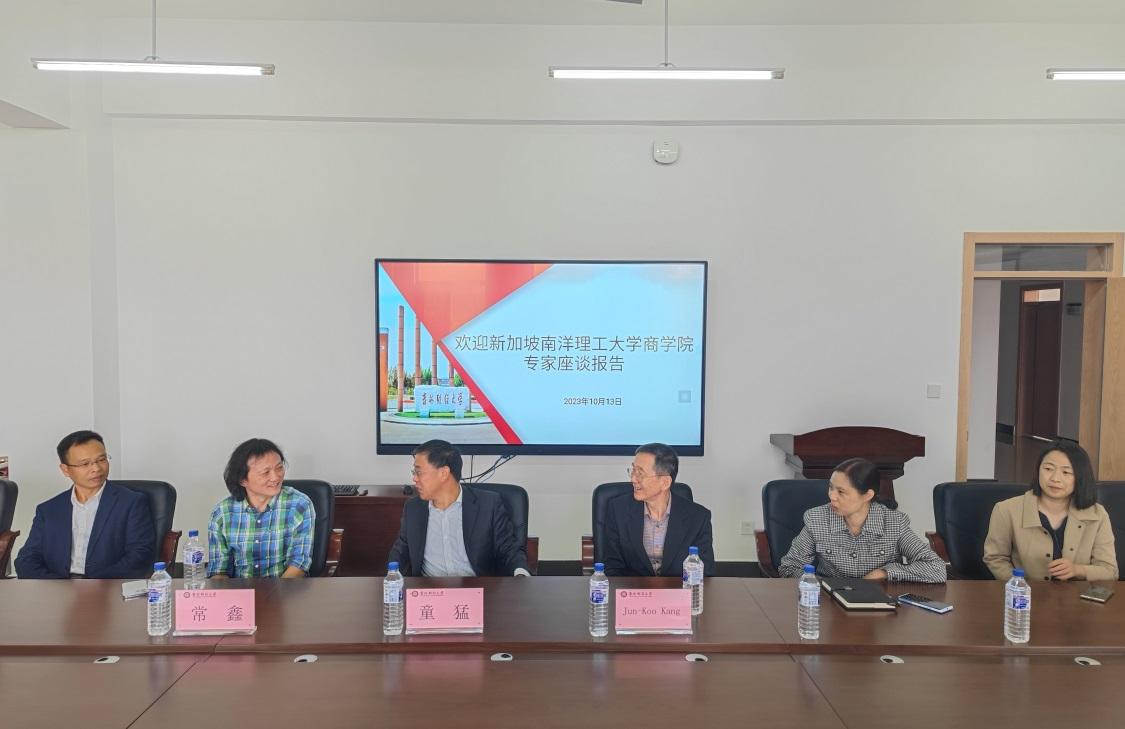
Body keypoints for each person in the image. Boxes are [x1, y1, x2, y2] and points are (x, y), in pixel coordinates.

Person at [778, 458, 946, 583]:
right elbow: (789, 567)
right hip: (829, 603)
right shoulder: (817, 519)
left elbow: (936, 568)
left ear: (867, 495)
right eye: (831, 487)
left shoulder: (894, 523)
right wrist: (821, 585)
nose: (832, 496)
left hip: (879, 603)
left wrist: (884, 573)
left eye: (841, 492)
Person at [15, 430, 154, 579]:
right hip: (58, 586)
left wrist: (92, 585)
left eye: (102, 459)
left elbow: (140, 555)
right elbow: (26, 560)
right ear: (65, 470)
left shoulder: (131, 502)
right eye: (85, 464)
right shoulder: (48, 510)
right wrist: (59, 586)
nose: (96, 468)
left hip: (108, 586)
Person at [388, 439, 529, 576]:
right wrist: (391, 577)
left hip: (476, 587)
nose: (414, 478)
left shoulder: (488, 504)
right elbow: (401, 551)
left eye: (418, 472)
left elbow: (509, 549)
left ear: (443, 473)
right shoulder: (413, 508)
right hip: (430, 588)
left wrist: (521, 574)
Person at [983, 440, 1117, 582]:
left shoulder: (1097, 514)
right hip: (1024, 593)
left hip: (1077, 594)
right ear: (1038, 470)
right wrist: (1020, 585)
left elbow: (1109, 570)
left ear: (1081, 477)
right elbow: (995, 558)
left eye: (1066, 472)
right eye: (1048, 469)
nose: (1055, 478)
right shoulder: (1006, 510)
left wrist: (1078, 570)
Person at [601, 443, 715, 577]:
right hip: (633, 588)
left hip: (679, 589)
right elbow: (612, 569)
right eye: (633, 471)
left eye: (640, 473)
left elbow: (704, 573)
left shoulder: (699, 517)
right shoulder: (618, 510)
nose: (633, 479)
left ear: (665, 482)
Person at [208, 438, 314, 578]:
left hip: (287, 589)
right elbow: (218, 570)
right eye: (265, 473)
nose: (275, 477)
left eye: (279, 468)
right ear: (242, 480)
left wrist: (276, 592)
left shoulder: (299, 505)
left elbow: (299, 564)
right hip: (240, 589)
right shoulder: (222, 513)